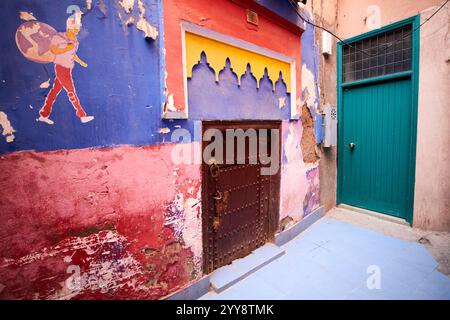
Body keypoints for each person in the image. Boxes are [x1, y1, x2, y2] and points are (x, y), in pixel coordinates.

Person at [38, 12, 94, 124]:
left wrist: (81, 62)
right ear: (69, 27)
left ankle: (43, 114)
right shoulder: (58, 37)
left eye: (78, 28)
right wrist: (66, 48)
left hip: (68, 68)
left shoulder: (74, 41)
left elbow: (73, 54)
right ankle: (81, 114)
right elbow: (53, 50)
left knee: (54, 92)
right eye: (75, 28)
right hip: (61, 68)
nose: (77, 30)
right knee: (71, 91)